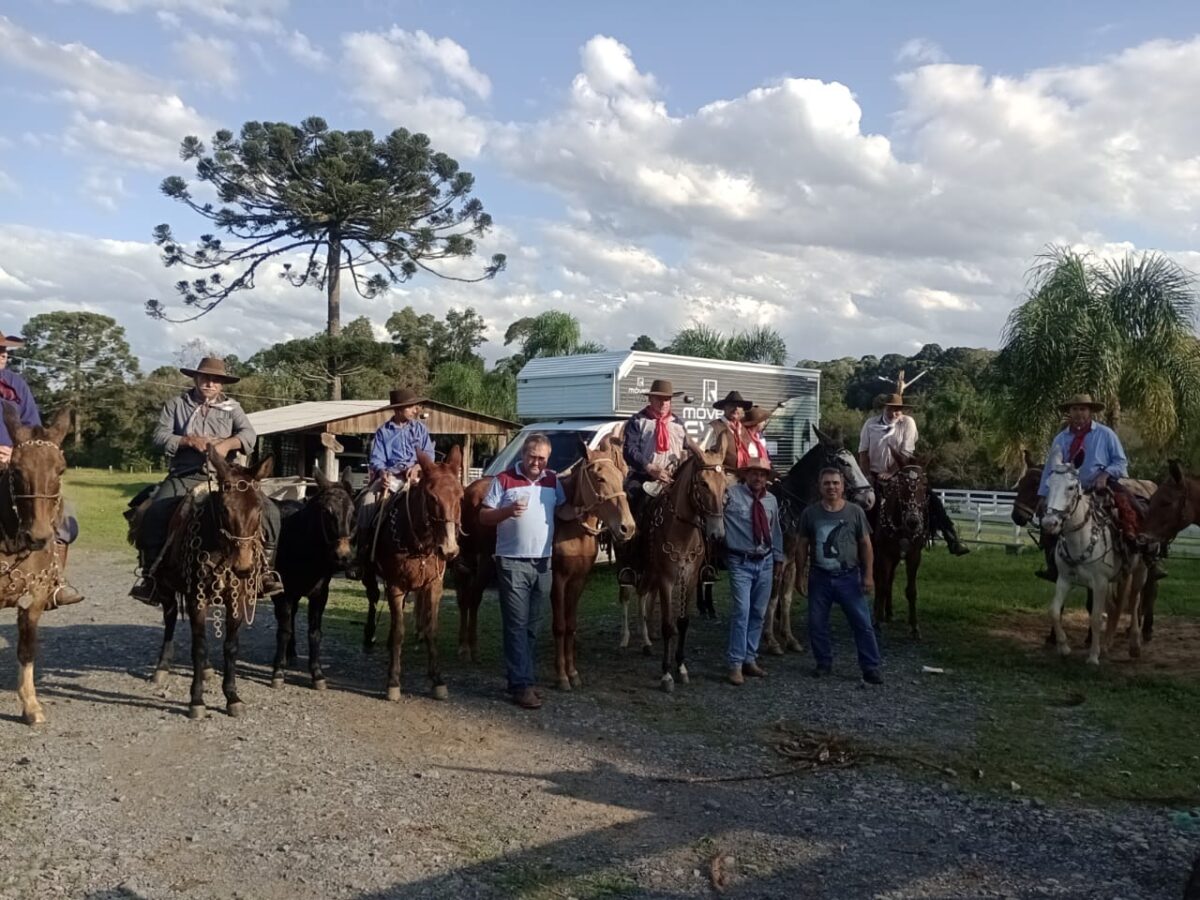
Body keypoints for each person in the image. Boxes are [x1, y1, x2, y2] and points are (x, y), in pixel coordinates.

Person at [130, 356, 281, 604]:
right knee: (154, 512)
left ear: (222, 384)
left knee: (271, 512)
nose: (210, 383)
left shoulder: (233, 408)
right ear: (196, 378)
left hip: (228, 478)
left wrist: (227, 444)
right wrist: (187, 440)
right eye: (205, 378)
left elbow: (248, 435)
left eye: (216, 380)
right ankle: (152, 577)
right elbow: (159, 436)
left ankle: (264, 573)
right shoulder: (176, 405)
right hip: (186, 474)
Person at [479, 433, 578, 710]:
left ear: (548, 459)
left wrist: (585, 512)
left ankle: (523, 678)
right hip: (512, 561)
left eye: (542, 458)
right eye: (532, 456)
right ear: (523, 454)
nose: (537, 462)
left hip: (543, 562)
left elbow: (563, 512)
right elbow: (483, 516)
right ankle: (521, 685)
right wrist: (507, 511)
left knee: (532, 626)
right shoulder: (503, 480)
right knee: (516, 625)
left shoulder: (552, 481)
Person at [0, 330, 83, 607]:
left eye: (4, 350)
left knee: (62, 514)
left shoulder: (16, 385)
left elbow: (34, 431)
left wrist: (21, 452)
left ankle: (54, 579)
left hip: (18, 465)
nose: (2, 355)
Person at [1035, 393, 1149, 581]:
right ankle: (1053, 565)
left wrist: (1105, 475)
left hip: (1100, 485)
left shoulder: (1105, 434)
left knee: (1129, 507)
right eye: (1075, 409)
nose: (1079, 413)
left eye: (1083, 409)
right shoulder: (1061, 438)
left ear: (1090, 412)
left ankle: (1141, 550)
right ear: (1069, 413)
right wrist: (1043, 494)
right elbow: (1050, 469)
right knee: (1048, 523)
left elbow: (1120, 462)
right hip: (1068, 490)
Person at [797, 467, 883, 684]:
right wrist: (800, 574)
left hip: (849, 576)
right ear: (820, 486)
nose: (831, 487)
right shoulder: (810, 513)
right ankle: (823, 662)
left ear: (843, 487)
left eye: (835, 483)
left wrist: (869, 575)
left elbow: (866, 545)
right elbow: (801, 546)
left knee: (862, 623)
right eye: (827, 483)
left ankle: (870, 666)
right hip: (820, 576)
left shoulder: (855, 512)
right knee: (816, 623)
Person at [858, 393, 969, 556]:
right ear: (884, 408)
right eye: (892, 409)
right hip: (874, 473)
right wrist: (866, 476)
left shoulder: (908, 423)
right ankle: (858, 543)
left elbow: (905, 451)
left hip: (900, 473)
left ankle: (952, 538)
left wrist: (890, 473)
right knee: (861, 503)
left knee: (931, 499)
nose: (895, 413)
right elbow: (863, 452)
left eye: (899, 409)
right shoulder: (870, 424)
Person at [619, 378, 689, 586]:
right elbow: (630, 450)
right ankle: (630, 564)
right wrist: (650, 467)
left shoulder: (677, 423)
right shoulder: (638, 421)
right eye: (659, 399)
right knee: (633, 510)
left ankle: (702, 562)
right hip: (644, 477)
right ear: (650, 399)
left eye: (667, 400)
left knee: (699, 508)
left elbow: (685, 449)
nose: (663, 403)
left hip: (673, 478)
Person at [723, 458, 784, 685]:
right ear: (745, 475)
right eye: (754, 473)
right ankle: (736, 663)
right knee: (742, 610)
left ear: (767, 478)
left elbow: (775, 530)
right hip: (740, 559)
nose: (758, 478)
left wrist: (778, 557)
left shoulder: (771, 500)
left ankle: (750, 657)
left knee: (759, 611)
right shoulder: (730, 495)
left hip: (765, 560)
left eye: (762, 474)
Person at [358, 388, 435, 537]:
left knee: (441, 500)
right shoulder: (383, 432)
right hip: (392, 479)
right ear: (398, 410)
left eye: (416, 406)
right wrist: (383, 474)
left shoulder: (421, 429)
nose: (415, 410)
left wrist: (417, 467)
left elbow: (429, 453)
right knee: (366, 503)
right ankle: (363, 545)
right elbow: (377, 459)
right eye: (411, 407)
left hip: (418, 477)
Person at [702, 390, 753, 470]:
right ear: (724, 408)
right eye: (732, 405)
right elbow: (702, 452)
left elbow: (752, 454)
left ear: (742, 410)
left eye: (739, 406)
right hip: (723, 476)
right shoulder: (714, 427)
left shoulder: (744, 430)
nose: (736, 408)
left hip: (744, 477)